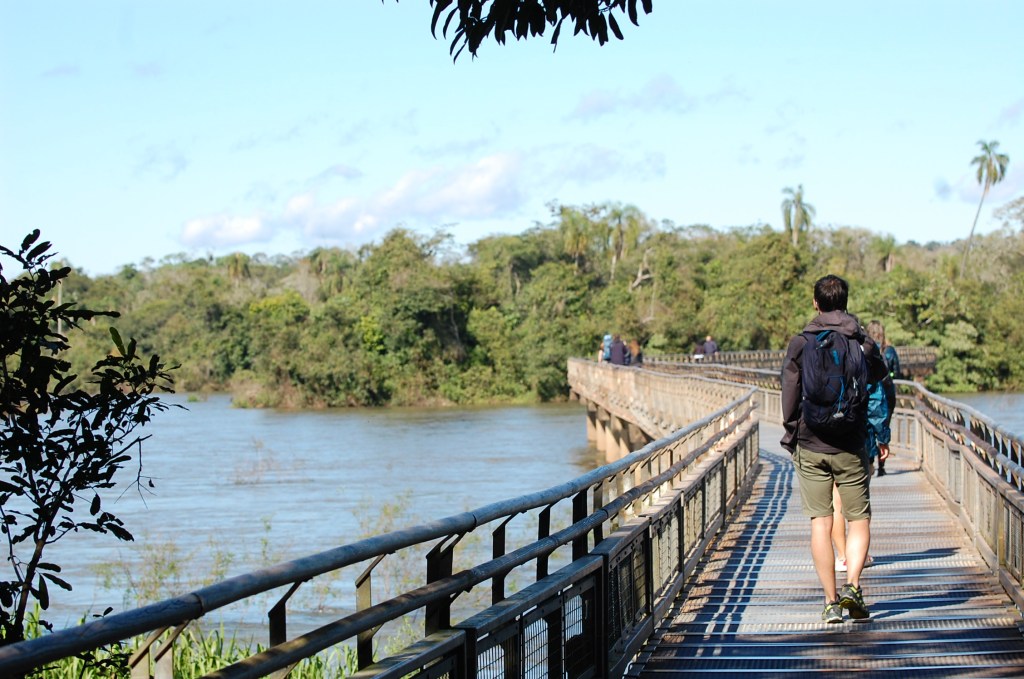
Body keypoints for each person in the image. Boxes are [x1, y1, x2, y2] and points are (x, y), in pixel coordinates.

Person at [781, 274, 886, 623]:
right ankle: (853, 587)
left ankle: (830, 602)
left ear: (815, 303)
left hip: (811, 443)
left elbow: (790, 394)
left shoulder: (801, 343)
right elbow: (881, 382)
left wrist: (791, 433)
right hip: (851, 442)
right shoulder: (862, 342)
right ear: (844, 302)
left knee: (820, 523)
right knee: (859, 518)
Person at [832, 320, 894, 573]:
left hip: (829, 438)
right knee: (859, 502)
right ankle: (859, 556)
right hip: (861, 438)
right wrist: (883, 438)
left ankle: (842, 555)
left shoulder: (824, 353)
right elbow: (878, 403)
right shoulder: (866, 357)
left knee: (836, 503)